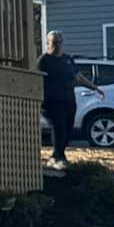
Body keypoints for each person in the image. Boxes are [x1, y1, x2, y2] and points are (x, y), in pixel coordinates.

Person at [40, 31, 79, 169]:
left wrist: (95, 88)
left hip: (69, 100)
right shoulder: (44, 60)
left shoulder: (67, 59)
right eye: (53, 42)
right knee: (59, 127)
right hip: (51, 100)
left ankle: (57, 155)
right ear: (48, 43)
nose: (56, 45)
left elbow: (77, 77)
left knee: (68, 129)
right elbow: (35, 78)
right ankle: (58, 157)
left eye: (59, 42)